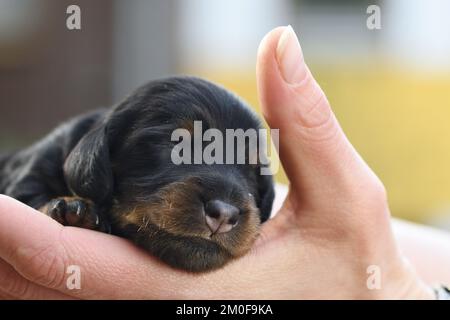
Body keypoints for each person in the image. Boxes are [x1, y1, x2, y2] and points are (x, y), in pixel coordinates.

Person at [0, 26, 449, 299]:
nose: (226, 210)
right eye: (177, 151)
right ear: (101, 154)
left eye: (251, 177)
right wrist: (58, 208)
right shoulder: (58, 159)